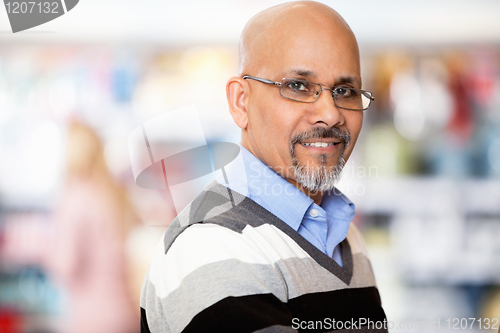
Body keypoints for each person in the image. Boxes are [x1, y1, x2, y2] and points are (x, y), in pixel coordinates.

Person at [141, 1, 387, 332]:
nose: (330, 114)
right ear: (241, 102)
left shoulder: (345, 235)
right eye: (298, 86)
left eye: (345, 91)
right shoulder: (210, 248)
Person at [47, 122, 139, 333]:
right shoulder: (113, 192)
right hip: (126, 314)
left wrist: (45, 254)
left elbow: (67, 264)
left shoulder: (75, 196)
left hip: (95, 319)